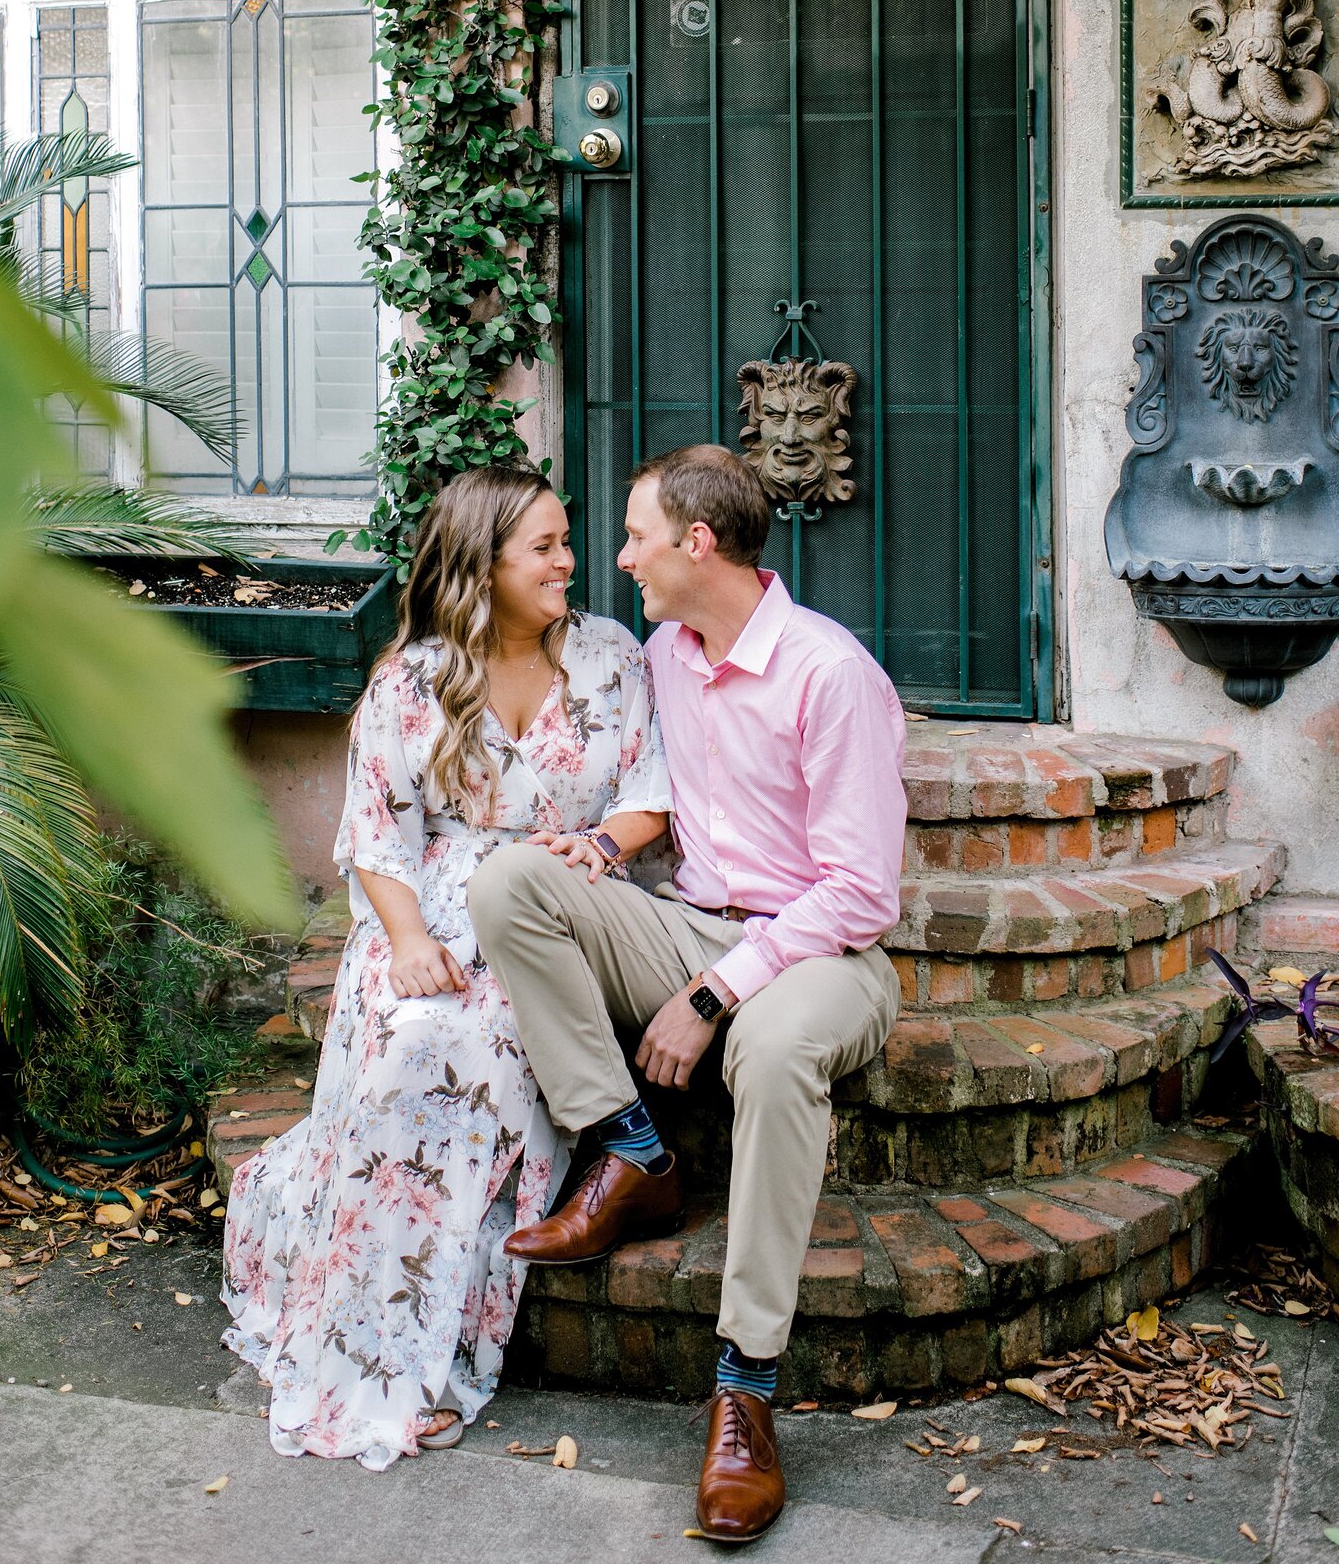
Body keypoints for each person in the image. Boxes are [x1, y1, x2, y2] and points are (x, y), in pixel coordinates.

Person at [468, 444, 907, 1542]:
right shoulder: (663, 653)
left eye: (634, 537)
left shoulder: (827, 672)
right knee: (515, 879)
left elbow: (860, 893)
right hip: (692, 927)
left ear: (695, 545)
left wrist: (714, 994)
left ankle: (745, 1389)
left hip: (823, 959)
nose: (618, 560)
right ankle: (631, 1151)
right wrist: (602, 854)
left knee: (770, 1052)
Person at [219, 463, 671, 1470]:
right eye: (545, 548)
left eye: (566, 540)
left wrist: (601, 848)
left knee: (491, 1055)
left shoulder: (610, 656)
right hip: (427, 910)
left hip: (561, 909)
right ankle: (371, 1349)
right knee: (410, 1046)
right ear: (484, 565)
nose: (569, 562)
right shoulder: (412, 679)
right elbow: (375, 833)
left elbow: (650, 793)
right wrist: (410, 943)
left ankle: (441, 1359)